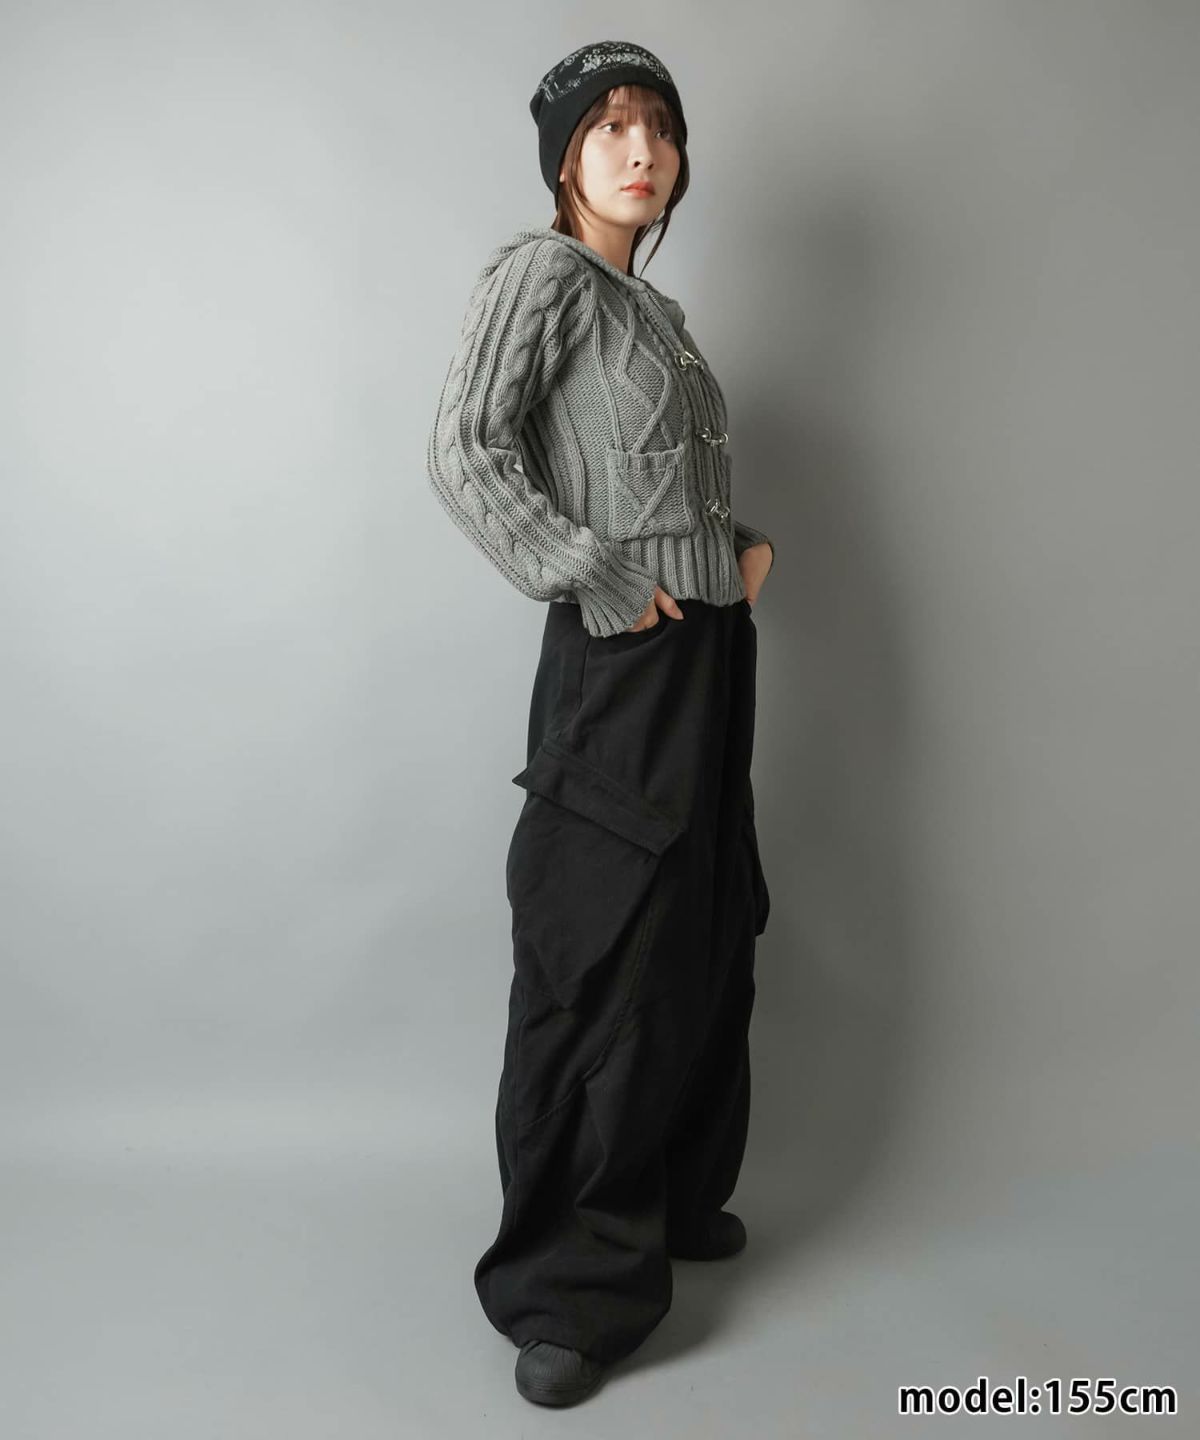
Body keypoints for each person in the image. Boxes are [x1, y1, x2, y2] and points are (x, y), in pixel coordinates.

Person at [426, 39, 774, 1408]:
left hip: (708, 655)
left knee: (706, 923)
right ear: (564, 159)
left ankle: (672, 1197)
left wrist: (735, 554)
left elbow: (657, 485)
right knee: (603, 950)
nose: (642, 151)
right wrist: (592, 575)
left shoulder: (654, 312)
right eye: (611, 128)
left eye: (661, 130)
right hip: (621, 666)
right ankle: (567, 1291)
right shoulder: (545, 277)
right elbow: (467, 448)